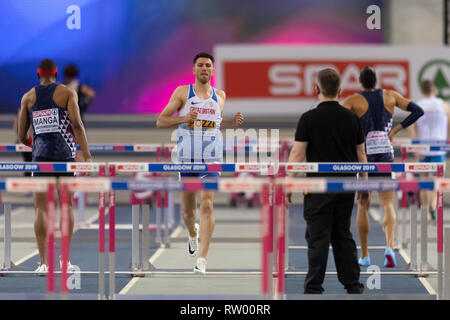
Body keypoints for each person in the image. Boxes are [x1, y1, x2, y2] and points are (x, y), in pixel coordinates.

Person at [156, 52, 244, 274]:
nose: (204, 69)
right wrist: (183, 118)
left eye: (208, 66)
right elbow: (161, 121)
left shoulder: (221, 96)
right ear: (194, 69)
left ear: (213, 70)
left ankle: (202, 259)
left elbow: (214, 123)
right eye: (200, 65)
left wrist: (231, 122)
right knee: (188, 214)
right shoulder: (183, 92)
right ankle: (192, 233)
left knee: (207, 204)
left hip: (211, 160)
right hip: (186, 160)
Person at [286, 68, 367, 294]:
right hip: (347, 186)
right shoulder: (352, 117)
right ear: (340, 91)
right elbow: (361, 155)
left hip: (317, 187)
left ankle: (313, 285)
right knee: (343, 233)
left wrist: (288, 184)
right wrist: (365, 184)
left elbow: (297, 155)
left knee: (318, 235)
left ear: (316, 89)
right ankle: (353, 284)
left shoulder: (308, 118)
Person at [342, 66, 424, 267]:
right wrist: (396, 129)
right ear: (376, 81)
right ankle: (389, 246)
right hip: (386, 155)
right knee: (387, 203)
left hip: (365, 157)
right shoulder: (390, 96)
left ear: (360, 82)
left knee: (363, 204)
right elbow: (418, 111)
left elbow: (339, 121)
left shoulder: (353, 100)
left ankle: (365, 254)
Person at [17, 59, 92, 275]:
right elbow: (77, 125)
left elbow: (22, 135)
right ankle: (65, 261)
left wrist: (34, 143)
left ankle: (43, 263)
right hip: (64, 157)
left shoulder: (28, 98)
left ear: (37, 74)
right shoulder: (67, 93)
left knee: (41, 209)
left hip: (40, 159)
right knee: (66, 205)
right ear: (56, 73)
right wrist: (86, 156)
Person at [411, 80, 449, 221]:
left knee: (423, 182)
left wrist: (414, 145)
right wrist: (447, 141)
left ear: (422, 91)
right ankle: (433, 205)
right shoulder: (443, 105)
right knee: (436, 181)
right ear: (434, 90)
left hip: (422, 148)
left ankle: (426, 213)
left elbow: (409, 127)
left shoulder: (418, 105)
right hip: (439, 149)